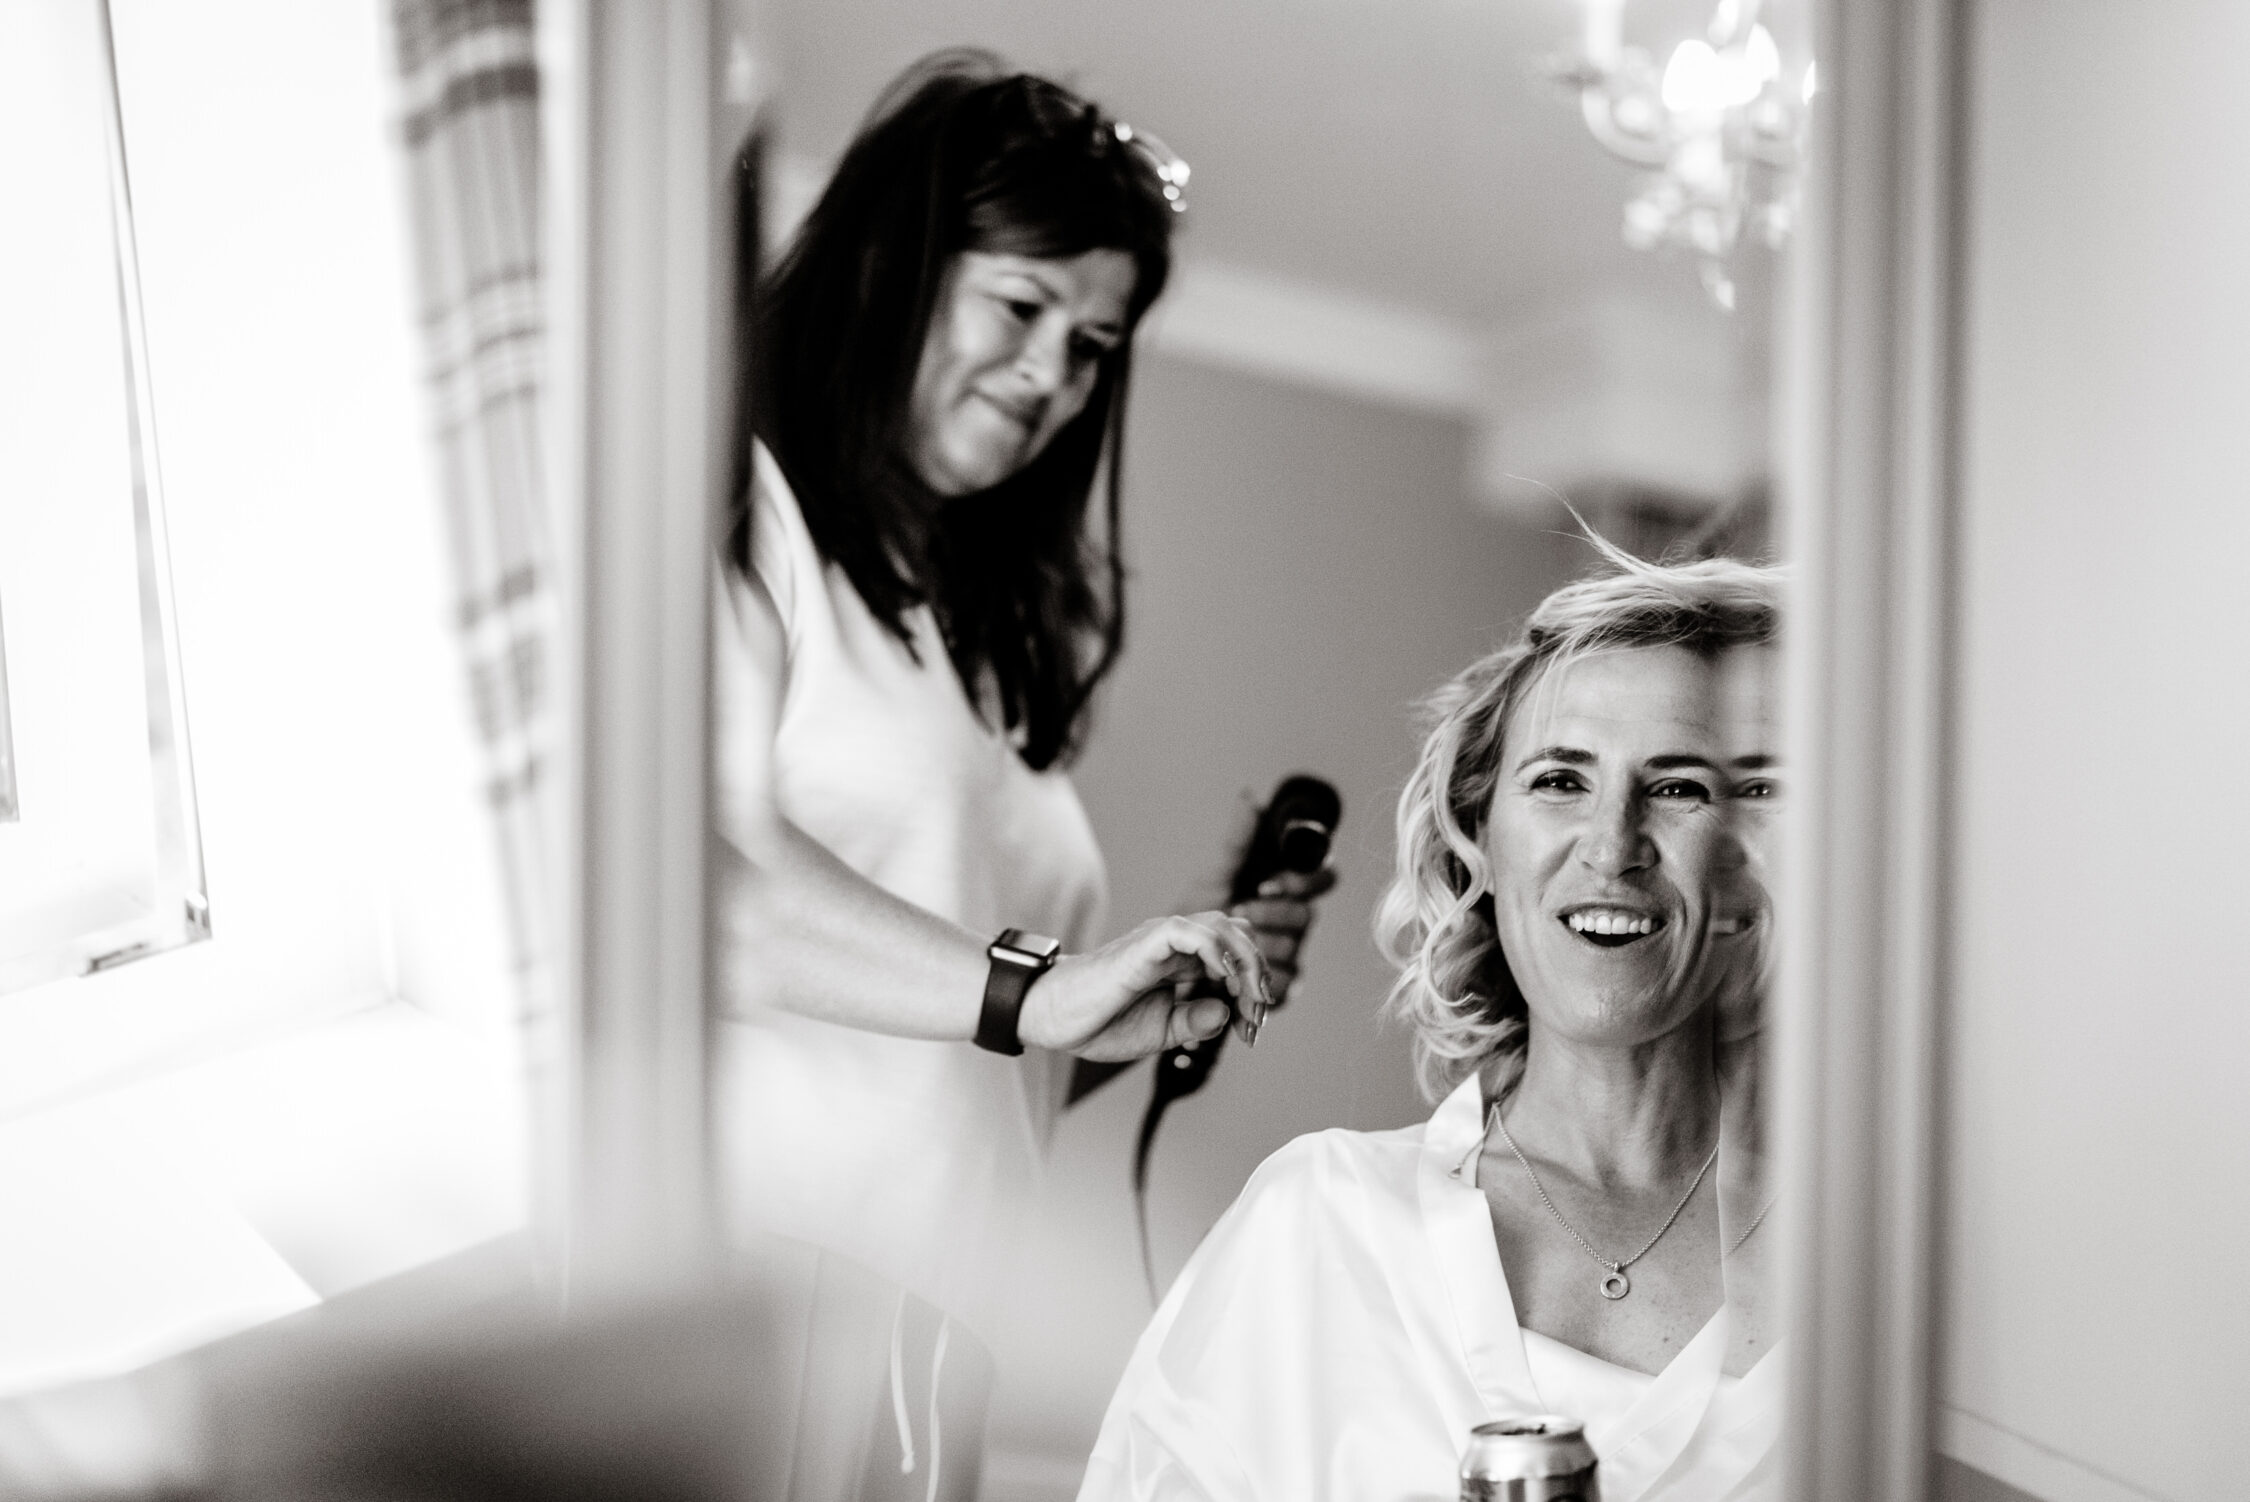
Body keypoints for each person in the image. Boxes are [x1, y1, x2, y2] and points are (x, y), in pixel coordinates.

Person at [709, 49, 1332, 1499]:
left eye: (1094, 343)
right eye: (1020, 304)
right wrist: (1032, 983)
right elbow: (698, 884)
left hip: (947, 1299)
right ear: (893, 267)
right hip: (766, 1267)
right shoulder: (749, 507)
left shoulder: (978, 638)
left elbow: (970, 1043)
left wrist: (1115, 997)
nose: (1052, 374)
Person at [1078, 551, 1783, 1502]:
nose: (1614, 846)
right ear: (1479, 840)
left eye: (1680, 787)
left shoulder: (1878, 1269)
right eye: (1559, 782)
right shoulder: (1318, 1224)